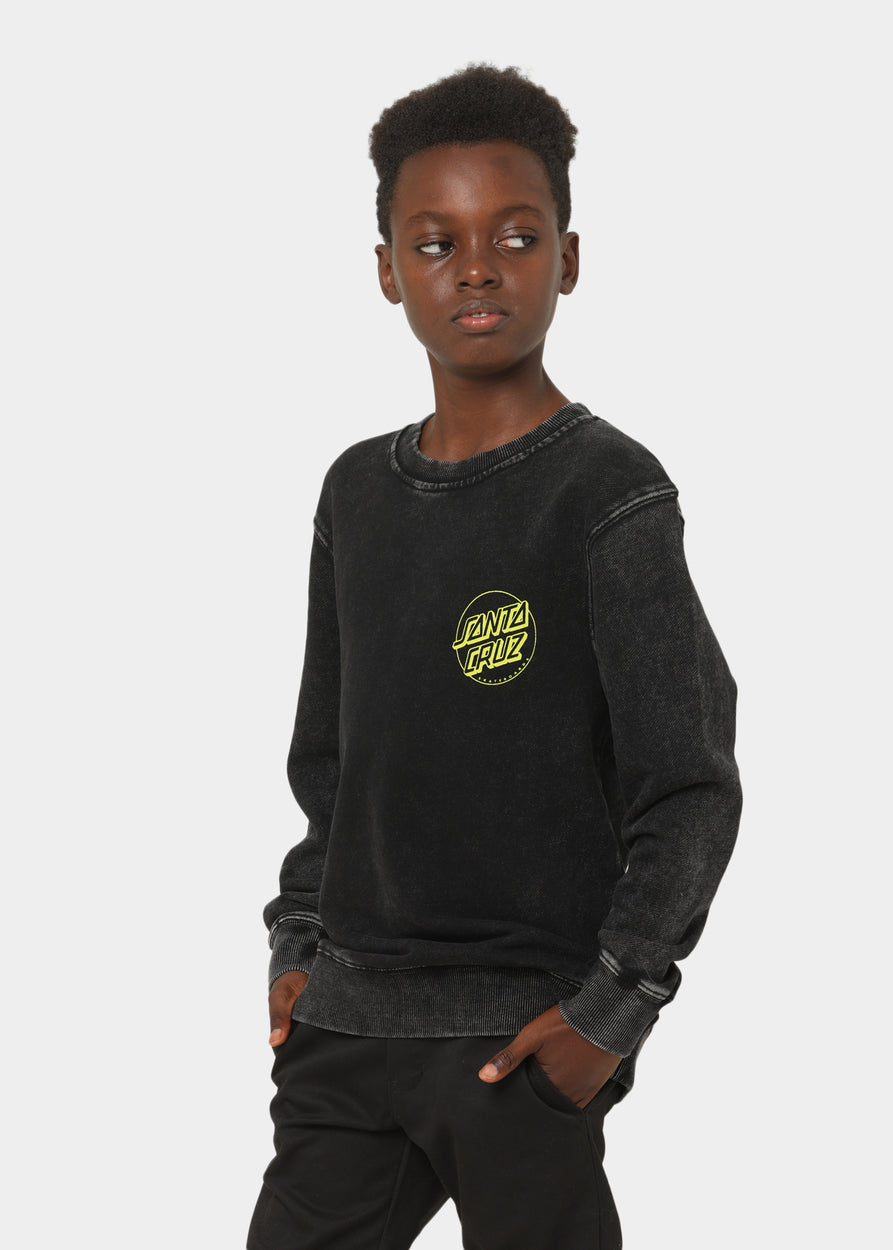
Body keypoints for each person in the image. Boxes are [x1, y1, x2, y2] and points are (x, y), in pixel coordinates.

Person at [246, 62, 743, 1250]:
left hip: (520, 1042)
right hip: (345, 1031)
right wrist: (297, 942)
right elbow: (332, 761)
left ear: (566, 257)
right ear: (387, 270)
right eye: (437, 242)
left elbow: (686, 780)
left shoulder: (607, 491)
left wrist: (609, 1012)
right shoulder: (355, 493)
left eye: (514, 237)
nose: (476, 267)